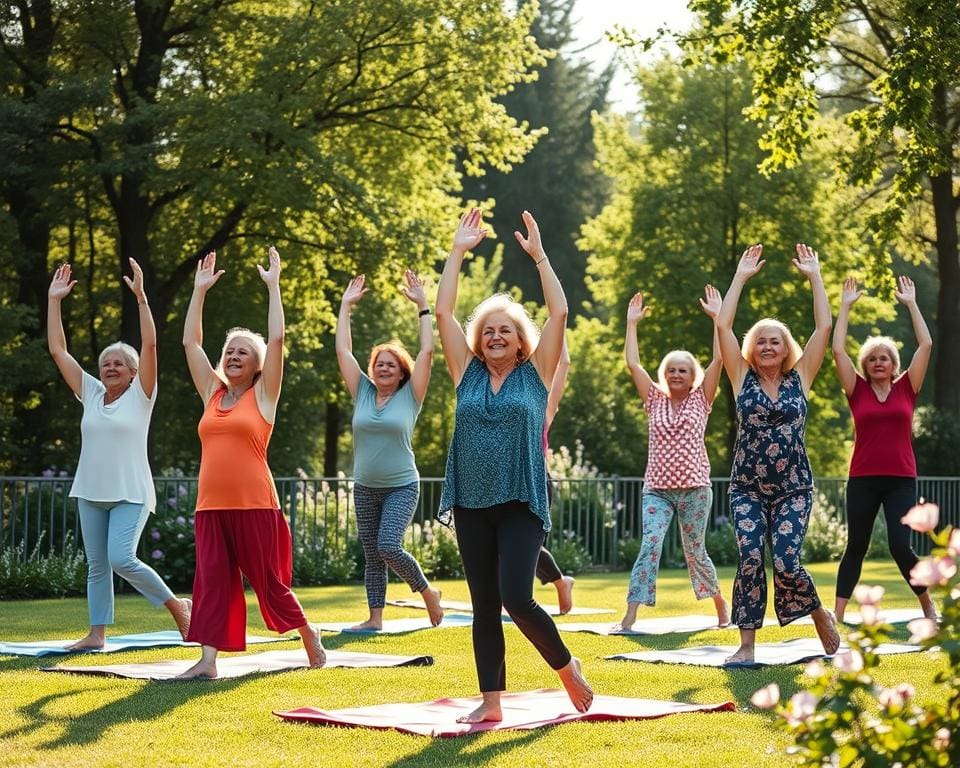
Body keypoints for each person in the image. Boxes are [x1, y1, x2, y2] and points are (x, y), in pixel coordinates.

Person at [436, 208, 593, 723]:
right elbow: (442, 314)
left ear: (521, 339)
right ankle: (491, 702)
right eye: (488, 332)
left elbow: (560, 313)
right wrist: (457, 253)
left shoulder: (536, 374)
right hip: (470, 501)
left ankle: (566, 667)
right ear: (478, 340)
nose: (496, 338)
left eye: (505, 331)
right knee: (484, 606)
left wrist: (541, 257)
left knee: (516, 597)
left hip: (521, 499)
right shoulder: (467, 372)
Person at [178, 247, 324, 679]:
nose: (234, 356)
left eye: (243, 352)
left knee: (269, 584)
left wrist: (273, 287)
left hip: (256, 504)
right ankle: (207, 662)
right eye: (230, 351)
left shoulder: (264, 396)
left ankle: (308, 632)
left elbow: (277, 339)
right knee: (210, 585)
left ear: (258, 364)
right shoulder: (212, 393)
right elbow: (190, 342)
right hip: (210, 506)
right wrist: (198, 292)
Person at [47, 259, 192, 650]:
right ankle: (96, 635)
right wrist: (54, 301)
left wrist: (142, 298)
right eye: (105, 363)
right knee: (97, 566)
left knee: (120, 558)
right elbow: (59, 350)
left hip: (130, 492)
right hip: (90, 491)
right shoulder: (91, 393)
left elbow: (150, 344)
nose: (110, 367)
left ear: (132, 372)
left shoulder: (143, 395)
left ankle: (178, 607)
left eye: (118, 364)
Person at [715, 243, 840, 666]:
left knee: (786, 560)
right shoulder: (740, 376)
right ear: (753, 349)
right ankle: (747, 644)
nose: (768, 347)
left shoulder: (801, 376)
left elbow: (823, 329)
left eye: (776, 341)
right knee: (750, 556)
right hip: (747, 487)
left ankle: (818, 612)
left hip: (794, 488)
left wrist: (815, 277)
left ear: (787, 348)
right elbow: (724, 327)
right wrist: (740, 278)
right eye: (761, 342)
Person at [612, 285, 730, 632]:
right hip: (657, 490)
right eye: (672, 370)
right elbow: (632, 362)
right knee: (650, 544)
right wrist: (631, 324)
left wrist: (717, 320)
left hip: (695, 490)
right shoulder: (653, 398)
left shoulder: (702, 399)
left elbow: (720, 359)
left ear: (692, 376)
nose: (676, 374)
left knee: (695, 552)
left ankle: (720, 604)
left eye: (683, 370)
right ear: (664, 374)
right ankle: (630, 615)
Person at [335, 270, 444, 630]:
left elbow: (428, 350)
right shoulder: (363, 392)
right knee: (372, 555)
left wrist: (423, 306)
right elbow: (342, 350)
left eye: (390, 364)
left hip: (401, 486)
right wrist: (345, 307)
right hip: (365, 486)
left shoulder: (411, 396)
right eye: (379, 363)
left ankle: (427, 592)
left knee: (387, 546)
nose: (383, 367)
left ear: (401, 373)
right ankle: (375, 619)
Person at [832, 275, 937, 622]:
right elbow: (836, 350)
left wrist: (911, 304)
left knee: (899, 546)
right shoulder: (856, 390)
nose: (879, 362)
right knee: (856, 546)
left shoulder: (908, 387)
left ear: (893, 364)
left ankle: (926, 605)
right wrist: (844, 307)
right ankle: (838, 614)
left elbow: (925, 345)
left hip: (900, 480)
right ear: (866, 364)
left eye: (885, 358)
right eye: (873, 358)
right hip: (862, 478)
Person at [537, 339, 576, 614]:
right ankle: (560, 582)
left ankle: (561, 582)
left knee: (527, 545)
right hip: (502, 482)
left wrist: (558, 331)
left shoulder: (544, 408)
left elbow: (564, 364)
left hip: (537, 481)